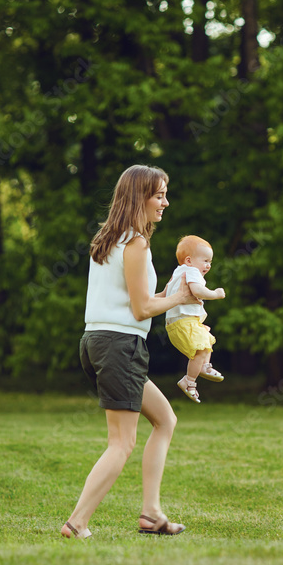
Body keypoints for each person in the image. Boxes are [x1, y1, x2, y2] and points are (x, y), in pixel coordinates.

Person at [61, 164, 199, 539]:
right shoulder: (136, 242)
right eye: (159, 195)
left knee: (165, 420)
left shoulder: (110, 239)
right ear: (140, 197)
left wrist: (172, 299)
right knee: (121, 443)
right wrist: (180, 296)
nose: (165, 202)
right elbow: (140, 310)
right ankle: (77, 523)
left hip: (98, 342)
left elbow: (132, 301)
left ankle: (151, 514)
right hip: (120, 346)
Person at [164, 235, 226, 403]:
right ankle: (189, 381)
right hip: (185, 322)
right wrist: (215, 294)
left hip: (177, 324)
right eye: (205, 260)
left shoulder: (178, 272)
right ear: (189, 260)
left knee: (206, 336)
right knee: (200, 350)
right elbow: (198, 291)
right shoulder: (192, 271)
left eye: (210, 262)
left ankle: (205, 367)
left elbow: (164, 295)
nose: (208, 265)